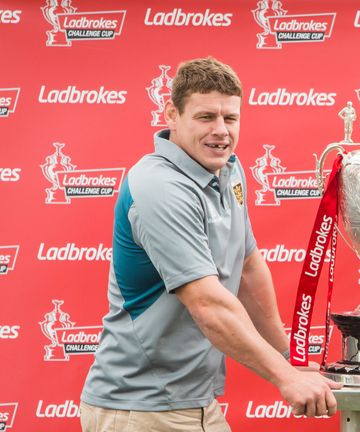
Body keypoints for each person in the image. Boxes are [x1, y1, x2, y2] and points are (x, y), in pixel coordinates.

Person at [80, 57, 341, 432]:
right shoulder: (160, 186)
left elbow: (248, 269)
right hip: (139, 410)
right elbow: (206, 303)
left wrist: (289, 357)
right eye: (205, 117)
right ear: (172, 114)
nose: (221, 131)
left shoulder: (229, 170)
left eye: (230, 119)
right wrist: (285, 377)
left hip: (195, 404)